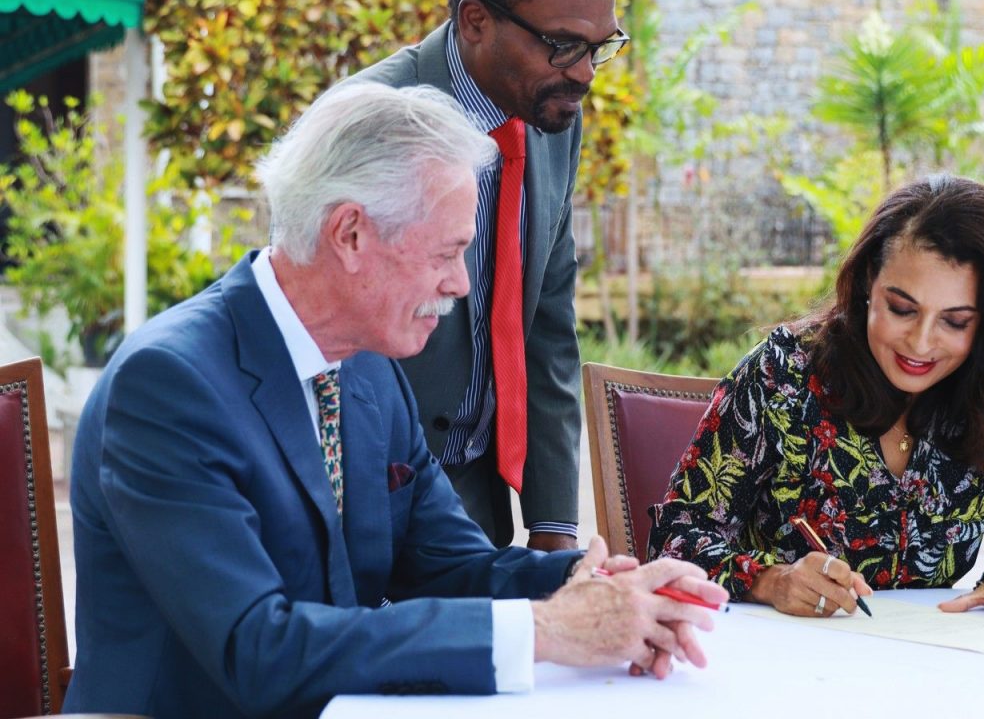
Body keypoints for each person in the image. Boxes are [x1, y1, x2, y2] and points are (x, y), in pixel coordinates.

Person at [64, 84, 726, 719]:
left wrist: (588, 587)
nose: (462, 283)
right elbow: (258, 651)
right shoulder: (167, 385)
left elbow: (448, 564)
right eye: (449, 251)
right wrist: (545, 629)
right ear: (350, 234)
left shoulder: (368, 368)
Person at [647, 175, 984, 628]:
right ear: (869, 282)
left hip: (935, 666)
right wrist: (774, 581)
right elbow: (674, 541)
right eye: (902, 309)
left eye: (955, 321)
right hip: (783, 664)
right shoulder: (782, 376)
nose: (920, 342)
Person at [338, 0, 626, 552]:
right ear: (474, 21)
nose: (584, 75)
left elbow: (548, 319)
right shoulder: (370, 123)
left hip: (479, 498)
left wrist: (554, 529)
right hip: (369, 498)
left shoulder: (551, 114)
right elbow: (326, 338)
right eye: (562, 45)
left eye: (601, 46)